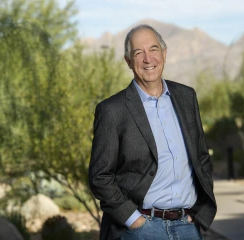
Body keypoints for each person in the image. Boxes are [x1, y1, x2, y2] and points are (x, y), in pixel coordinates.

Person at [88, 24, 217, 240]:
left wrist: (199, 214)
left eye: (154, 49)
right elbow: (100, 176)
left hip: (187, 227)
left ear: (164, 54)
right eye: (139, 53)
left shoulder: (187, 97)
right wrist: (134, 221)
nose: (148, 59)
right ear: (129, 61)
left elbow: (201, 157)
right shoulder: (112, 111)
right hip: (141, 230)